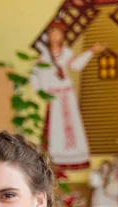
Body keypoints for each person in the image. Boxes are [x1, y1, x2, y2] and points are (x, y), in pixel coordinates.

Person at [30, 19, 106, 171]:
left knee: (70, 126)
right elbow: (35, 74)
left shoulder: (66, 53)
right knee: (54, 128)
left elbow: (76, 65)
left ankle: (72, 157)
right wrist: (40, 91)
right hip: (53, 96)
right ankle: (53, 159)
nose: (55, 36)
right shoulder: (43, 56)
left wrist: (91, 51)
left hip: (66, 95)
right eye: (52, 33)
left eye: (58, 33)